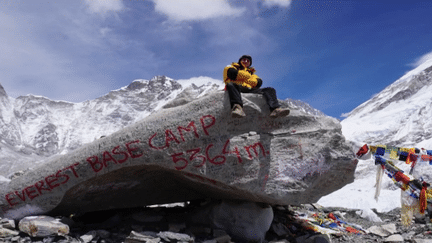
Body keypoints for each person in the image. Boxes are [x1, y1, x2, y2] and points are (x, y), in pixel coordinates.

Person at [223, 55, 290, 118]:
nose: (246, 61)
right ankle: (238, 108)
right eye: (244, 60)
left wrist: (241, 77)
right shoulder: (232, 67)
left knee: (270, 90)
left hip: (249, 89)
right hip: (237, 87)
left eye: (248, 61)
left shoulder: (252, 73)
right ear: (240, 61)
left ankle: (275, 109)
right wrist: (249, 77)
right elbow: (232, 74)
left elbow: (258, 83)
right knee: (231, 84)